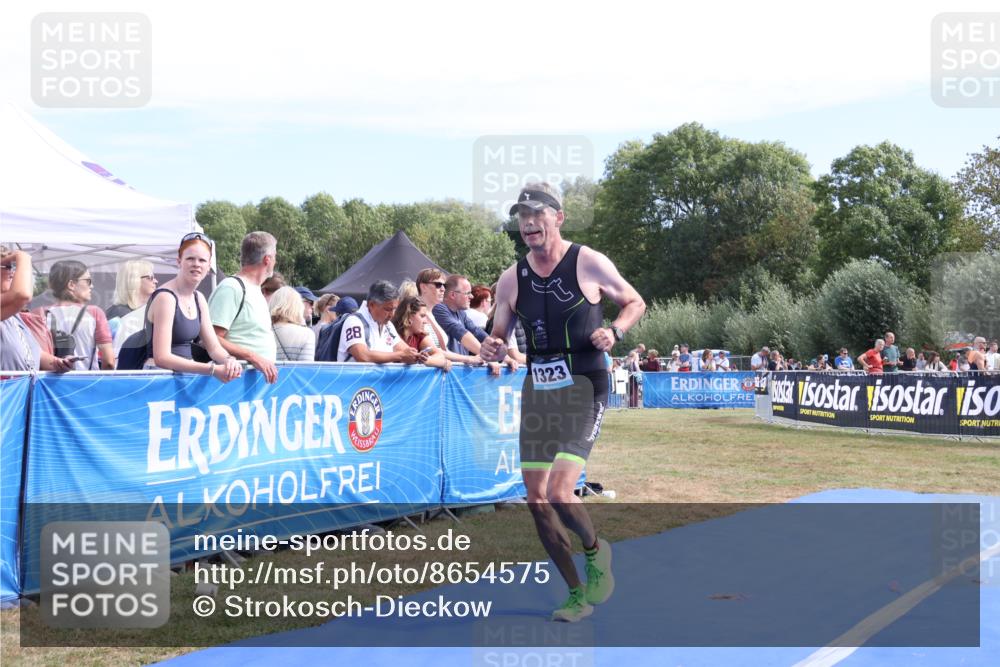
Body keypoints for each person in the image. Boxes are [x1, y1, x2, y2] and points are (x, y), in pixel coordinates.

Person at [480, 182, 646, 623]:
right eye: (521, 216)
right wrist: (492, 347)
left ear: (558, 217)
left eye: (537, 214)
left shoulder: (587, 261)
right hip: (540, 386)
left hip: (585, 385)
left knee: (559, 491)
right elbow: (498, 334)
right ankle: (575, 593)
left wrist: (616, 331)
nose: (528, 223)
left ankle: (594, 552)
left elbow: (634, 301)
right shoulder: (511, 278)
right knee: (536, 499)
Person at [144, 233, 242, 383]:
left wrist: (229, 360)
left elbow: (214, 348)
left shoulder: (199, 298)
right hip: (160, 379)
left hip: (184, 378)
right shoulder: (166, 298)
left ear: (208, 266)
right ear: (179, 261)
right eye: (190, 258)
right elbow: (162, 357)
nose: (196, 264)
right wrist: (212, 370)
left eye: (202, 260)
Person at [208, 231, 279, 383]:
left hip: (252, 385)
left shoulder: (254, 289)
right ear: (267, 259)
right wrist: (253, 357)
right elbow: (211, 338)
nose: (275, 262)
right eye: (275, 256)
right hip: (235, 383)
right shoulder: (232, 288)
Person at [1, 249, 73, 372]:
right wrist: (23, 257)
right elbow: (22, 295)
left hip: (19, 388)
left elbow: (30, 350)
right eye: (8, 266)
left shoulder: (13, 313)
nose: (13, 273)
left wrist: (56, 363)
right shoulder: (12, 304)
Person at [36, 260, 114, 370]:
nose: (92, 286)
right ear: (71, 284)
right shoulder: (94, 313)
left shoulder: (41, 315)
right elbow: (109, 361)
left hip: (51, 384)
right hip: (86, 383)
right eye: (88, 281)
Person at [336, 280, 426, 364]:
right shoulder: (354, 322)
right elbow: (362, 356)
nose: (392, 314)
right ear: (371, 305)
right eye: (387, 309)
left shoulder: (388, 325)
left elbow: (404, 350)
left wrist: (417, 356)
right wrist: (401, 356)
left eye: (394, 309)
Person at [390, 295, 451, 372]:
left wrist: (428, 360)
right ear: (409, 316)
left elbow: (440, 355)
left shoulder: (419, 335)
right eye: (422, 316)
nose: (425, 321)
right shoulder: (393, 334)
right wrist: (441, 362)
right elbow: (413, 358)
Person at [271, 286, 316, 361]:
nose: (313, 307)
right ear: (298, 304)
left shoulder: (264, 330)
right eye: (311, 303)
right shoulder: (307, 334)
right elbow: (305, 369)